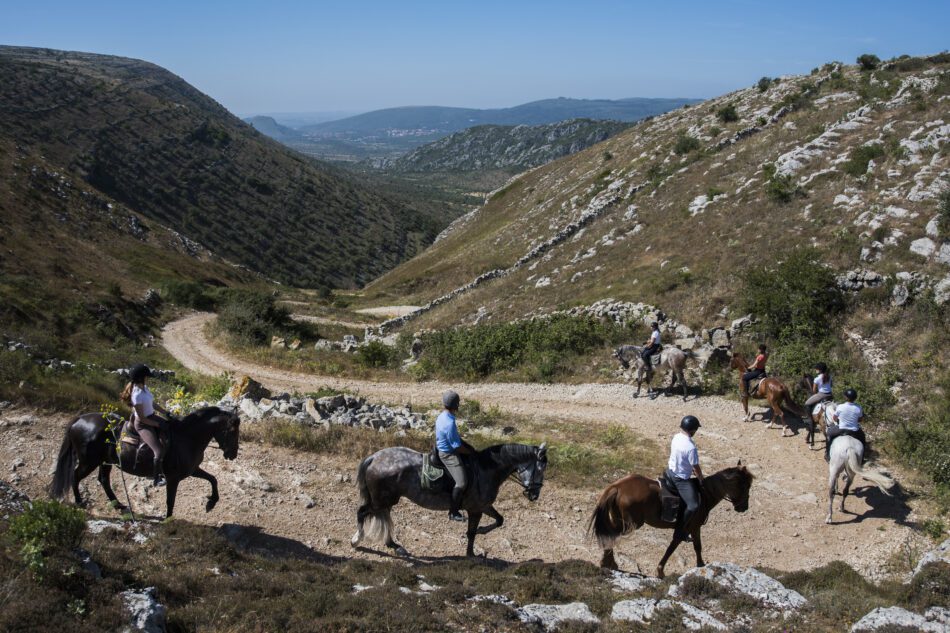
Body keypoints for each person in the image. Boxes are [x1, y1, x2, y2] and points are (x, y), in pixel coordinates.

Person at [120, 364, 172, 487]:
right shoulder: (136, 395)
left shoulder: (145, 388)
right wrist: (157, 424)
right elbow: (142, 418)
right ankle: (156, 478)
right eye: (146, 377)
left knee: (172, 428)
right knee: (158, 451)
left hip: (152, 416)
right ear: (141, 378)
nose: (147, 379)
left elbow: (152, 403)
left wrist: (166, 413)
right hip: (143, 424)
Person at [435, 390, 475, 522]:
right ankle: (453, 512)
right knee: (462, 482)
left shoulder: (442, 416)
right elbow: (456, 447)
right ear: (456, 405)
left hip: (441, 446)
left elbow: (455, 439)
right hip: (448, 454)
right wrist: (470, 451)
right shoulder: (450, 422)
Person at [666, 415, 704, 542]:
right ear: (693, 430)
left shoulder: (676, 437)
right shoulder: (691, 447)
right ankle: (681, 531)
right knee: (693, 505)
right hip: (680, 478)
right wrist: (701, 479)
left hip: (669, 471)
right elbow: (696, 467)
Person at [826, 388, 867, 462]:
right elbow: (860, 419)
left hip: (841, 429)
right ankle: (862, 458)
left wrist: (839, 419)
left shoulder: (840, 406)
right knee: (863, 439)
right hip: (854, 430)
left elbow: (834, 418)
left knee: (829, 434)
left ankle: (828, 455)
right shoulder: (859, 407)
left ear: (846, 397)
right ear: (855, 398)